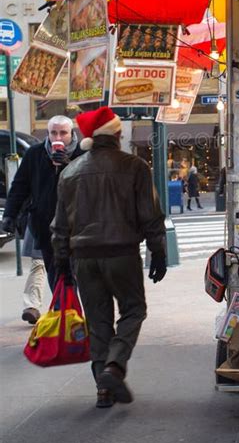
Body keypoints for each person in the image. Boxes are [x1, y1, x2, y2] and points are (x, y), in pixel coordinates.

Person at [51, 106, 167, 409]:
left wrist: (62, 260)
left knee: (98, 322)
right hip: (122, 253)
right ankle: (114, 366)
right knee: (133, 310)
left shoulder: (70, 173)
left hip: (84, 258)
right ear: (116, 134)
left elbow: (60, 225)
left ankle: (103, 389)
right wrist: (158, 251)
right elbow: (150, 215)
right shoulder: (134, 167)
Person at [2, 115, 82, 291]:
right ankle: (66, 313)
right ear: (48, 134)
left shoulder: (82, 154)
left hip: (77, 226)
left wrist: (66, 165)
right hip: (46, 226)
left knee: (79, 274)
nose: (58, 138)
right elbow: (20, 187)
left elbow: (88, 186)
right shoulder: (35, 153)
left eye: (63, 133)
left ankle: (79, 312)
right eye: (54, 133)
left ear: (72, 133)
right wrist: (9, 214)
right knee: (55, 274)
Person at [20, 223, 46, 324]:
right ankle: (65, 307)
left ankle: (32, 306)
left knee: (38, 265)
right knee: (66, 267)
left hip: (38, 222)